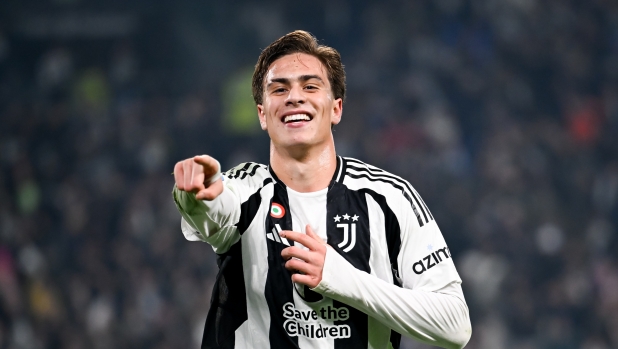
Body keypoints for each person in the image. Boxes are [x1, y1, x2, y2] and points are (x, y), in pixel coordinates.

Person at [172, 30, 471, 349]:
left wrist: (342, 279)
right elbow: (213, 211)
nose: (294, 97)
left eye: (310, 86)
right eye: (279, 88)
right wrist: (195, 193)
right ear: (262, 114)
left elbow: (455, 326)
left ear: (336, 109)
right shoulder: (246, 188)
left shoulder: (390, 199)